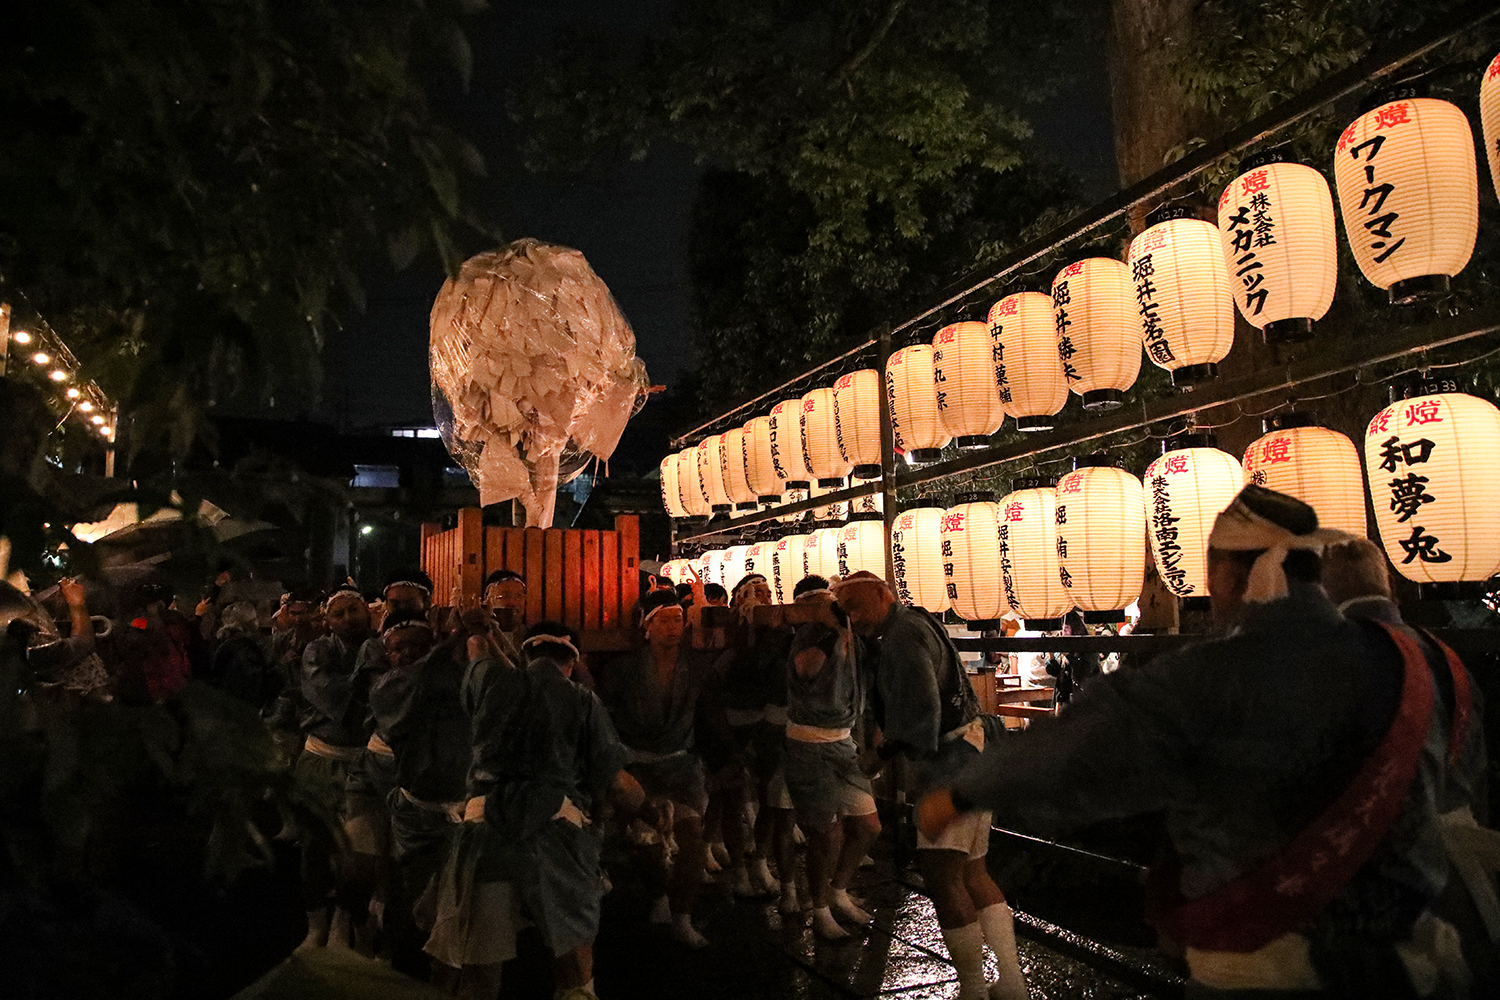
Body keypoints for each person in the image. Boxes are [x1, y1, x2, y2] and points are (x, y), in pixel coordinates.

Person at [917, 485, 1463, 999]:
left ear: (1228, 574)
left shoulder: (1210, 675)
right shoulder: (1411, 660)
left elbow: (1086, 748)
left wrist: (964, 792)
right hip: (1414, 965)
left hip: (1265, 966)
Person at [836, 569, 1025, 1000]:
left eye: (858, 606)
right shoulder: (913, 623)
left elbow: (922, 712)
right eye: (846, 611)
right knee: (974, 872)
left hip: (951, 761)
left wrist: (878, 756)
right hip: (975, 748)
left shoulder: (901, 637)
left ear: (885, 595)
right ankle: (1011, 983)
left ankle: (974, 989)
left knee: (943, 877)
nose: (854, 617)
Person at [1321, 538, 1494, 993]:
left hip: (1364, 884)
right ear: (1389, 585)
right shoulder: (1447, 657)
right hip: (1462, 878)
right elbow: (1475, 764)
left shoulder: (1318, 664)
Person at [478, 621, 647, 1000]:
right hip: (553, 831)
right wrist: (648, 810)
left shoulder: (487, 687)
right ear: (572, 660)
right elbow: (616, 780)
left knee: (479, 960)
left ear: (526, 655)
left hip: (481, 827)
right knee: (573, 950)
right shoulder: (580, 699)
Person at [596, 587, 713, 948]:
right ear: (647, 627)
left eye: (678, 619)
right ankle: (659, 896)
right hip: (637, 767)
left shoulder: (695, 667)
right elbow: (605, 720)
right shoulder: (623, 671)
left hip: (680, 765)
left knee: (691, 842)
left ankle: (683, 917)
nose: (672, 627)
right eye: (663, 620)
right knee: (647, 843)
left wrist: (725, 760)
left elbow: (710, 718)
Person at [369, 610, 472, 976]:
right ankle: (406, 966)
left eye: (418, 646)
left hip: (462, 806)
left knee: (456, 902)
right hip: (419, 810)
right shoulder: (387, 689)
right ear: (386, 654)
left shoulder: (456, 680)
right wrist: (455, 638)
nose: (408, 654)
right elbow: (422, 678)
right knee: (415, 895)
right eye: (399, 648)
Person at [781, 579, 881, 939]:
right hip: (810, 741)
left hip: (844, 741)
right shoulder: (811, 634)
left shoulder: (855, 636)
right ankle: (819, 908)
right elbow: (807, 670)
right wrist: (828, 633)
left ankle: (837, 892)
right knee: (825, 832)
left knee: (869, 826)